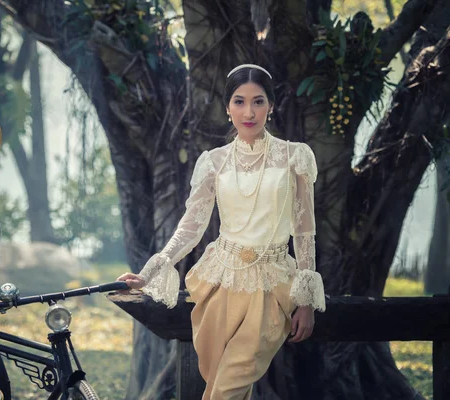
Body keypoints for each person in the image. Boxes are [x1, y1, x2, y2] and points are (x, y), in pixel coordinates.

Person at [117, 64, 326, 400]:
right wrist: (151, 272)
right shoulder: (214, 161)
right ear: (228, 108)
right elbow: (191, 225)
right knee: (219, 385)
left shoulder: (294, 157)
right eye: (239, 101)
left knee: (226, 388)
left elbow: (304, 230)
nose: (249, 112)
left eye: (258, 101)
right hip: (220, 284)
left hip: (271, 286)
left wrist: (306, 301)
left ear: (271, 105)